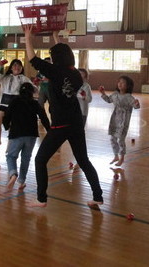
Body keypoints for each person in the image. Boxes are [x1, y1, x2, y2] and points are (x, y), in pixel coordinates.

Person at [23, 25, 103, 208]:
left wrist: (28, 38)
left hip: (60, 125)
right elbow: (63, 56)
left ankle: (41, 199)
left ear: (56, 59)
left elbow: (33, 59)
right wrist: (56, 37)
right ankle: (97, 196)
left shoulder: (54, 71)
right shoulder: (75, 73)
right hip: (75, 122)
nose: (50, 59)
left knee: (40, 160)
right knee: (83, 160)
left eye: (52, 56)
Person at [2, 82, 51, 190]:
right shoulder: (34, 103)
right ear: (32, 92)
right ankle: (21, 181)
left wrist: (6, 126)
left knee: (11, 156)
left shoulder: (14, 101)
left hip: (17, 134)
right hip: (31, 135)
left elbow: (6, 115)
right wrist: (49, 130)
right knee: (26, 158)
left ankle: (13, 174)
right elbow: (43, 116)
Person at [0, 58, 34, 150]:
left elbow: (33, 88)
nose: (17, 67)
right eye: (14, 65)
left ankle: (9, 146)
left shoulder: (24, 79)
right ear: (11, 68)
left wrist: (34, 88)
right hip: (4, 104)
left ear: (22, 68)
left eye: (19, 65)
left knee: (12, 127)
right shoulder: (5, 78)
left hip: (16, 106)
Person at [99, 76, 140, 166]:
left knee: (121, 140)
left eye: (123, 83)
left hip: (123, 122)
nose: (120, 84)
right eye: (119, 82)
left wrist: (137, 104)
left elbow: (136, 106)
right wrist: (103, 93)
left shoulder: (129, 97)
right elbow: (109, 100)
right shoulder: (115, 94)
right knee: (112, 138)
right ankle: (115, 155)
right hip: (114, 120)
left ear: (128, 86)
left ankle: (122, 158)